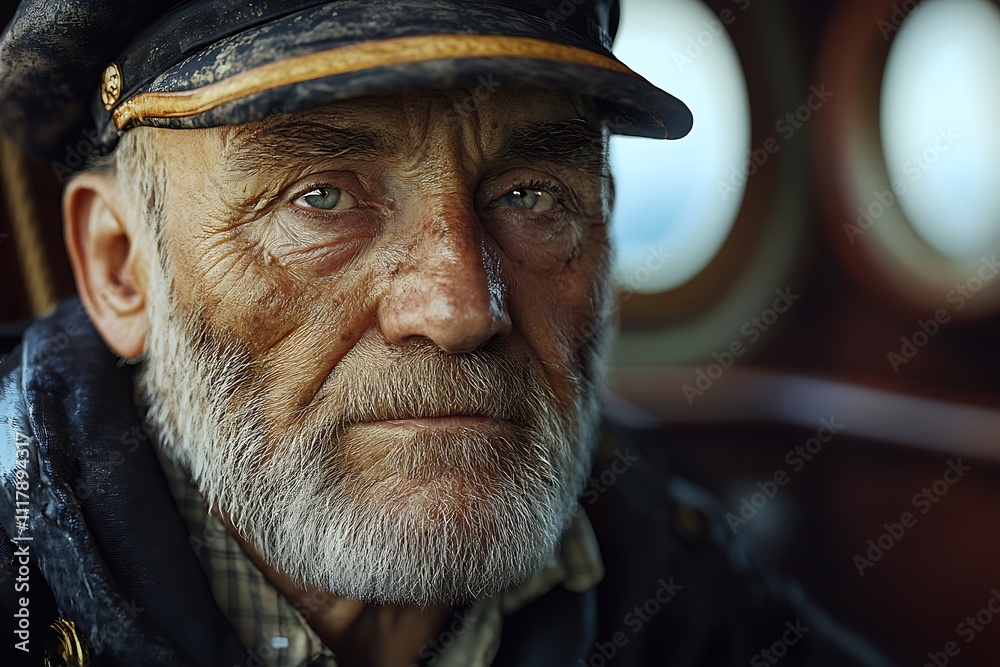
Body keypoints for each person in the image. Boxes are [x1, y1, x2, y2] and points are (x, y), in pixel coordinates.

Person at [0, 1, 889, 665]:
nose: (461, 308)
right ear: (121, 267)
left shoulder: (656, 535)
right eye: (322, 197)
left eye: (532, 196)